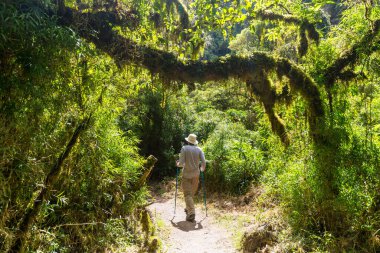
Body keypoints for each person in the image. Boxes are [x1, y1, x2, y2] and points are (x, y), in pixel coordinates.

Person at [176, 134, 206, 222]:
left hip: (186, 175)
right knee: (191, 193)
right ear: (195, 142)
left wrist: (177, 164)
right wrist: (202, 169)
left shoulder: (184, 148)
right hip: (196, 175)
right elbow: (204, 162)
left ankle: (191, 213)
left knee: (187, 194)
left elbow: (181, 163)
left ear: (188, 141)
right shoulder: (199, 149)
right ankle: (188, 208)